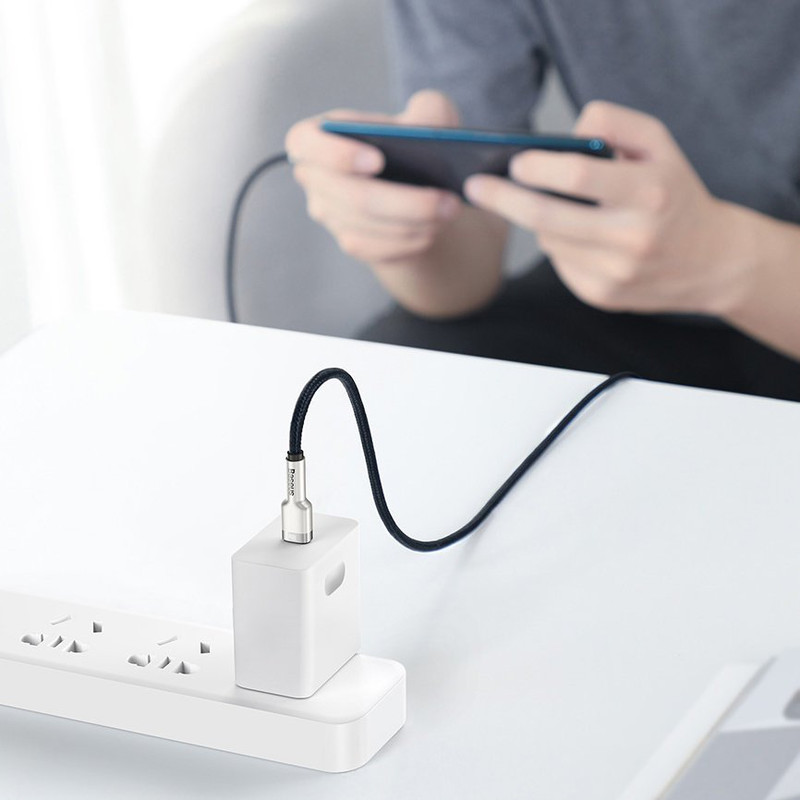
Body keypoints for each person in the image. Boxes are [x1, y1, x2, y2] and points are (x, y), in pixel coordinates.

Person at [284, 1, 800, 401]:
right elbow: (461, 280)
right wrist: (407, 228)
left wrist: (726, 263)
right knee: (398, 375)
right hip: (639, 283)